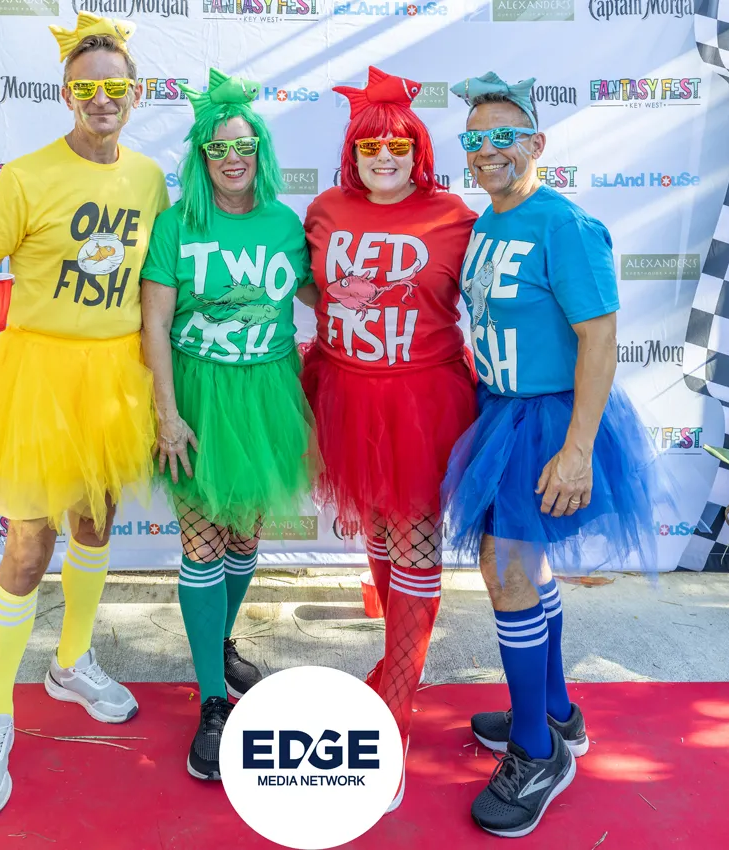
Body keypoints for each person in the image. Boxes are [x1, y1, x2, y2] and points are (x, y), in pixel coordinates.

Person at [0, 14, 169, 815]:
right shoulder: (26, 177)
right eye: (86, 87)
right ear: (67, 95)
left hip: (114, 379)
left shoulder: (148, 179)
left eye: (115, 86)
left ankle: (71, 662)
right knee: (29, 549)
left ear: (135, 94)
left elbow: (153, 283)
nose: (102, 98)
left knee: (94, 525)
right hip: (37, 377)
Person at [442, 72, 665, 838]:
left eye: (504, 135)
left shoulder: (565, 225)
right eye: (475, 139)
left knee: (506, 571)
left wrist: (576, 450)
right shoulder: (486, 221)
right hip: (499, 414)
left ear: (536, 143)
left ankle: (538, 754)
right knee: (517, 568)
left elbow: (599, 338)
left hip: (548, 422)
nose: (488, 150)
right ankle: (555, 711)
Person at [301, 66, 478, 811]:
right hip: (346, 392)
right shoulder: (324, 210)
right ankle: (392, 671)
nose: (383, 157)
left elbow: (494, 298)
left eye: (397, 146)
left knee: (414, 541)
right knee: (377, 524)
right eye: (369, 146)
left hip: (421, 398)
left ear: (418, 151)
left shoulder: (454, 216)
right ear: (352, 152)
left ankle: (397, 707)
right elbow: (306, 285)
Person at [140, 68, 316, 782]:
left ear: (261, 150)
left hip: (267, 395)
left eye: (244, 145)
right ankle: (213, 700)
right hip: (200, 397)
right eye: (218, 148)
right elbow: (154, 323)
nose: (232, 158)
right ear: (201, 156)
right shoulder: (177, 223)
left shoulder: (284, 223)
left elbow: (322, 291)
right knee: (203, 544)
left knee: (244, 537)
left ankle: (218, 643)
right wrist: (167, 414)